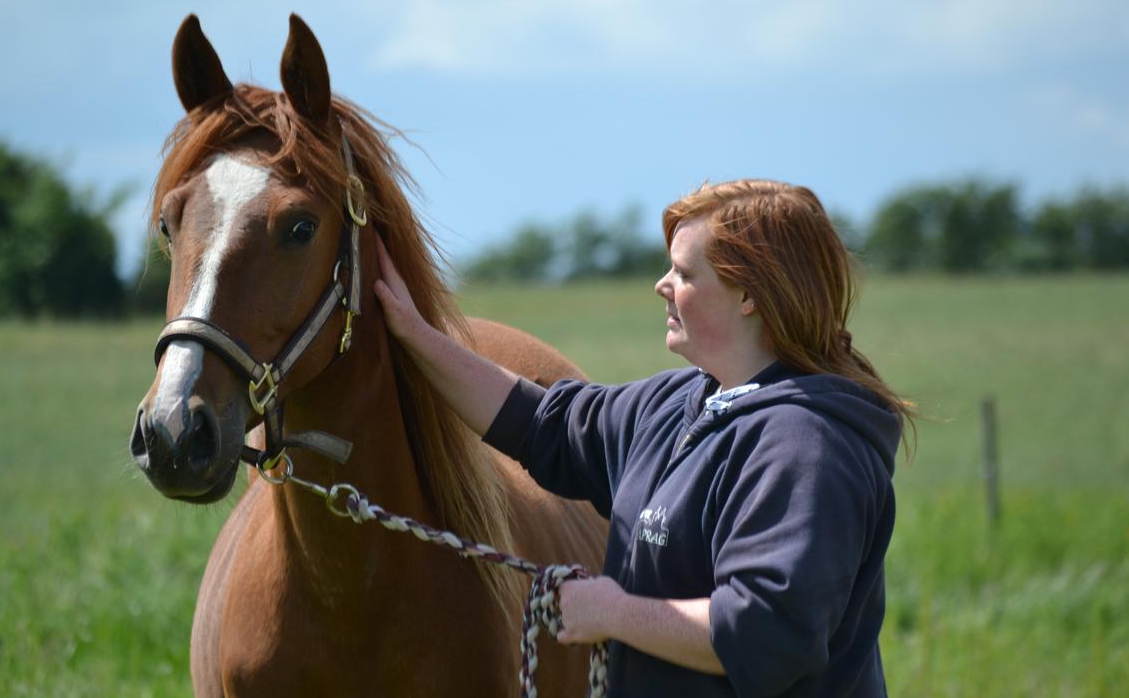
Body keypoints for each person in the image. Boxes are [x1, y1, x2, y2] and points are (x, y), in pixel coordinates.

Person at [374, 179, 913, 696]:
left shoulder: (805, 447)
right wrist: (417, 335)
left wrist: (612, 612)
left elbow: (762, 632)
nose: (662, 284)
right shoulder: (679, 403)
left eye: (684, 272)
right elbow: (540, 424)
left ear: (748, 294)